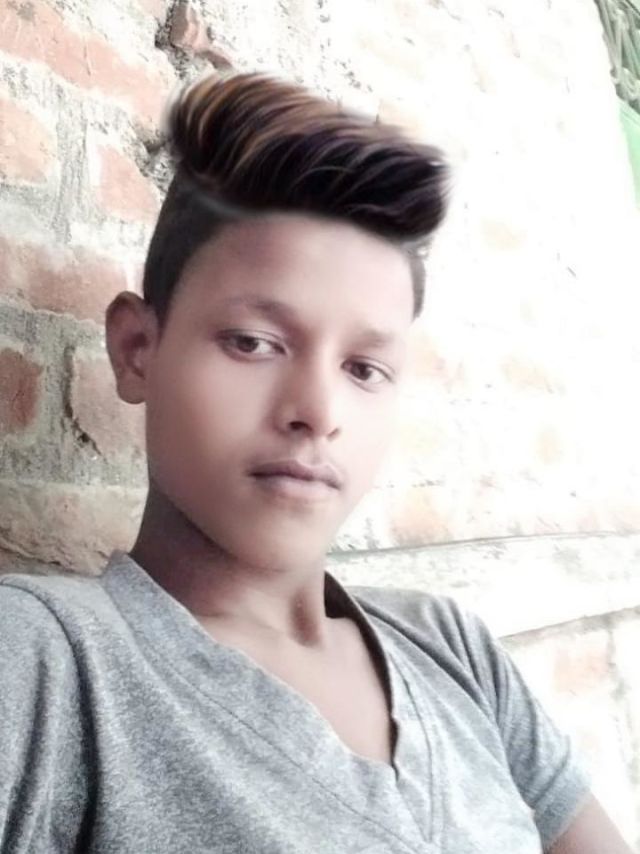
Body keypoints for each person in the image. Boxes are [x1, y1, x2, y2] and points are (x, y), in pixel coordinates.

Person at [0, 72, 632, 854]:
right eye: (253, 343)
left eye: (364, 368)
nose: (319, 411)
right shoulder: (49, 665)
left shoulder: (450, 647)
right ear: (137, 349)